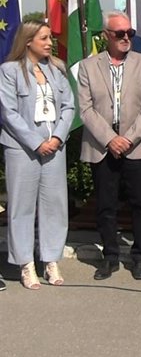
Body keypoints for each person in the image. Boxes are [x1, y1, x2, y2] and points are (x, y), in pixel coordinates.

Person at [78, 11, 141, 281]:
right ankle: (110, 257)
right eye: (120, 34)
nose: (126, 38)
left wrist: (128, 138)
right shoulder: (88, 67)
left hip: (136, 146)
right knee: (105, 205)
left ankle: (139, 257)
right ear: (106, 36)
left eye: (130, 33)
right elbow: (85, 109)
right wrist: (110, 139)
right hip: (102, 147)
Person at [0, 21, 74, 289]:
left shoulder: (56, 69)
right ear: (28, 41)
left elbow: (68, 106)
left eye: (50, 37)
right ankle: (26, 264)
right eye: (44, 38)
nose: (49, 42)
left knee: (55, 204)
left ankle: (51, 259)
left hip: (54, 147)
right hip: (21, 149)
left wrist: (56, 137)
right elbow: (9, 112)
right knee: (22, 206)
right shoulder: (9, 71)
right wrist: (35, 142)